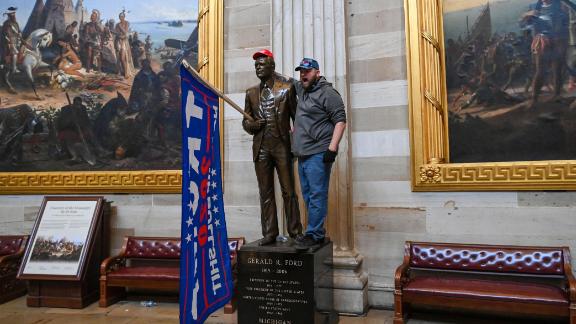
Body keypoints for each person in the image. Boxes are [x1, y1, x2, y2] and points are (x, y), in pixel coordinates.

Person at [242, 49, 302, 246]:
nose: (257, 67)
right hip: (261, 149)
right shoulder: (251, 93)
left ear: (272, 66)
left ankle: (295, 231)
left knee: (288, 191)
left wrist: (298, 147)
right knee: (265, 192)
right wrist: (252, 125)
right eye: (256, 65)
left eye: (261, 64)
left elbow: (297, 120)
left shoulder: (287, 88)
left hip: (282, 147)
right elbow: (246, 123)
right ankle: (269, 233)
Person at [292, 58, 347, 248]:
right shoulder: (301, 89)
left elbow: (341, 121)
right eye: (301, 72)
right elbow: (284, 81)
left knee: (317, 194)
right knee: (307, 195)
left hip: (319, 152)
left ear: (317, 72)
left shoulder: (328, 93)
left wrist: (332, 149)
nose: (303, 75)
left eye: (307, 71)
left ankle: (313, 233)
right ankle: (316, 231)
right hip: (303, 153)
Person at [1, 7, 22, 75]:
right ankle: (14, 68)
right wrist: (10, 42)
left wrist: (19, 34)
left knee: (22, 50)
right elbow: (6, 34)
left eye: (14, 13)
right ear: (9, 15)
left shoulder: (16, 23)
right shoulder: (6, 23)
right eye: (12, 14)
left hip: (16, 41)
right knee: (14, 52)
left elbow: (19, 31)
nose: (14, 15)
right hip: (7, 41)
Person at [115, 10, 135, 78]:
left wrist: (120, 27)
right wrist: (120, 36)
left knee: (123, 58)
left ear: (124, 17)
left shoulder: (127, 23)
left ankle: (126, 72)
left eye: (122, 17)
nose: (121, 18)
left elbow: (125, 33)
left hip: (124, 42)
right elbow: (116, 33)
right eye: (120, 17)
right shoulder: (117, 24)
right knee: (119, 58)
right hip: (118, 42)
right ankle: (121, 71)